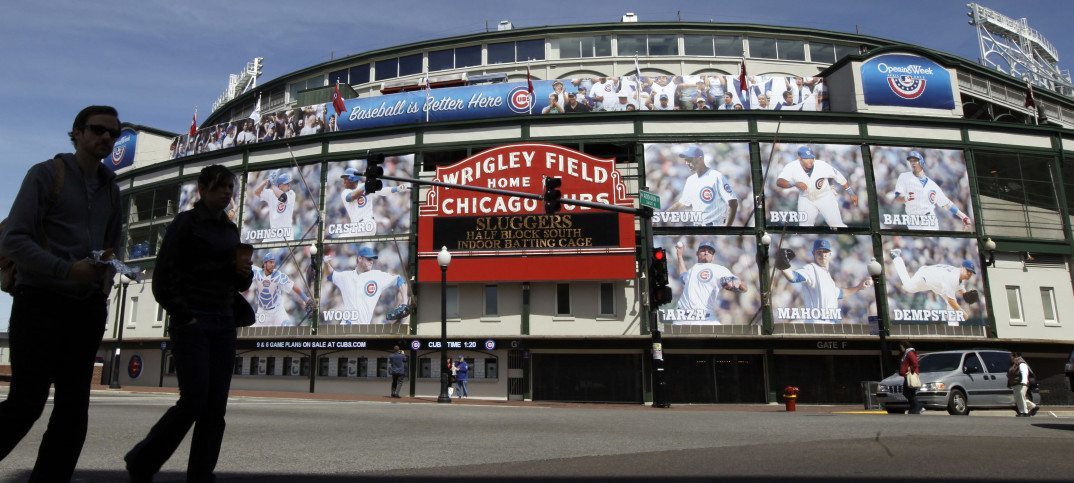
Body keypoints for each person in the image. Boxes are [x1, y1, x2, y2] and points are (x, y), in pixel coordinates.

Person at [0, 105, 123, 482]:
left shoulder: (112, 189)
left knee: (73, 410)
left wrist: (103, 281)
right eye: (98, 129)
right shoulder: (45, 174)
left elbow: (111, 245)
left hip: (85, 308)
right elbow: (13, 239)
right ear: (78, 133)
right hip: (40, 301)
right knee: (27, 402)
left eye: (114, 133)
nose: (106, 137)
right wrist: (66, 269)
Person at [125, 164, 254, 482]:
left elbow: (237, 283)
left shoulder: (230, 230)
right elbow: (162, 278)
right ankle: (143, 460)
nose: (227, 192)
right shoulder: (185, 223)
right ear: (203, 189)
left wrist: (244, 274)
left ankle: (201, 474)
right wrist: (186, 316)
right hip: (194, 320)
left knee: (215, 408)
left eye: (230, 187)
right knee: (194, 401)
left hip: (223, 321)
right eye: (220, 186)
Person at [776, 239, 872, 323]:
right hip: (817, 324)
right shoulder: (811, 269)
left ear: (830, 254)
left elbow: (840, 293)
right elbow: (794, 277)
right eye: (819, 252)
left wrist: (859, 287)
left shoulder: (828, 277)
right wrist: (782, 265)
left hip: (830, 325)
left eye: (825, 251)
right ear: (813, 254)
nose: (823, 255)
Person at [322, 246, 409, 324]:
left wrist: (404, 302)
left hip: (363, 328)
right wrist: (326, 263)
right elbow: (330, 275)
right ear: (360, 258)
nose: (371, 262)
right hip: (346, 326)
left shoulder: (377, 276)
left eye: (372, 259)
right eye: (369, 259)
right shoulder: (346, 276)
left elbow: (399, 279)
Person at [775, 146, 858, 227]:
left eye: (811, 158)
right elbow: (779, 182)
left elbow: (839, 176)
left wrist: (851, 193)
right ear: (799, 158)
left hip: (825, 197)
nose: (810, 160)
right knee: (804, 228)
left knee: (837, 225)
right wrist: (794, 183)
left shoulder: (822, 165)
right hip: (806, 199)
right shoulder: (792, 166)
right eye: (806, 158)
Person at [892, 150, 972, 231]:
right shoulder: (904, 177)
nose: (913, 163)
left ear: (921, 162)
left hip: (930, 222)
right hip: (914, 222)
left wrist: (963, 216)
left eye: (915, 160)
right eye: (911, 161)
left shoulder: (932, 184)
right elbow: (897, 197)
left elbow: (946, 203)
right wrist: (906, 198)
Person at [888, 249, 977, 322]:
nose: (969, 273)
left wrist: (965, 294)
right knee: (908, 287)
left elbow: (960, 287)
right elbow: (951, 301)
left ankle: (953, 327)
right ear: (962, 268)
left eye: (971, 272)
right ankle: (896, 257)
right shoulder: (953, 278)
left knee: (951, 302)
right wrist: (963, 313)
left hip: (935, 283)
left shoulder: (958, 275)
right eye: (968, 270)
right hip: (925, 277)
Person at [669, 241, 747, 324]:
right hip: (682, 318)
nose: (706, 253)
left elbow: (743, 288)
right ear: (697, 253)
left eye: (710, 252)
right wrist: (679, 256)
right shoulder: (691, 270)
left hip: (704, 318)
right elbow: (682, 276)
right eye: (703, 250)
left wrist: (736, 284)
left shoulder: (719, 269)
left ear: (713, 257)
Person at [663, 145, 739, 226]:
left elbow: (733, 202)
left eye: (689, 160)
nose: (687, 163)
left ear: (700, 159)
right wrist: (663, 215)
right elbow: (682, 203)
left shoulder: (716, 176)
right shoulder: (690, 180)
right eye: (685, 160)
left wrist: (727, 227)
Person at [334, 165, 409, 237]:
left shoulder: (365, 186)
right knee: (342, 238)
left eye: (346, 179)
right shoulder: (345, 192)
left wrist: (397, 189)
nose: (344, 182)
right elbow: (351, 197)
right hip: (356, 227)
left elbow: (382, 191)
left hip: (368, 224)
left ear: (352, 179)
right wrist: (368, 184)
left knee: (342, 238)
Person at [248, 251, 312, 326]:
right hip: (262, 311)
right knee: (257, 331)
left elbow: (294, 286)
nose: (273, 264)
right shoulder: (256, 272)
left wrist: (306, 300)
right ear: (265, 263)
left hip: (277, 311)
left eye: (273, 262)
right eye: (270, 262)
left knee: (288, 327)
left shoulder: (278, 275)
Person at [250, 169, 296, 242]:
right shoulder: (271, 193)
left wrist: (271, 184)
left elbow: (283, 197)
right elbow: (256, 192)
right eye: (286, 183)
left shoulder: (291, 194)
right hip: (274, 233)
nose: (289, 185)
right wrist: (267, 180)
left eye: (289, 183)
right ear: (280, 186)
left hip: (286, 233)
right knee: (263, 244)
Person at [1008, 352, 1039, 417]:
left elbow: (1024, 372)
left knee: (1020, 398)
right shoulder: (1015, 364)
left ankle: (1024, 412)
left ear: (1015, 356)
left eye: (1011, 356)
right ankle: (1033, 406)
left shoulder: (1021, 363)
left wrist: (1024, 382)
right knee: (1019, 398)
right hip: (1016, 384)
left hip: (1021, 384)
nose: (1010, 358)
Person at [898, 341, 922, 414]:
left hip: (910, 375)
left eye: (901, 346)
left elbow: (915, 363)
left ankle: (918, 406)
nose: (901, 348)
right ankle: (914, 407)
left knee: (908, 392)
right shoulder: (906, 353)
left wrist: (909, 369)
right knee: (909, 392)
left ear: (904, 346)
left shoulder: (909, 353)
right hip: (907, 375)